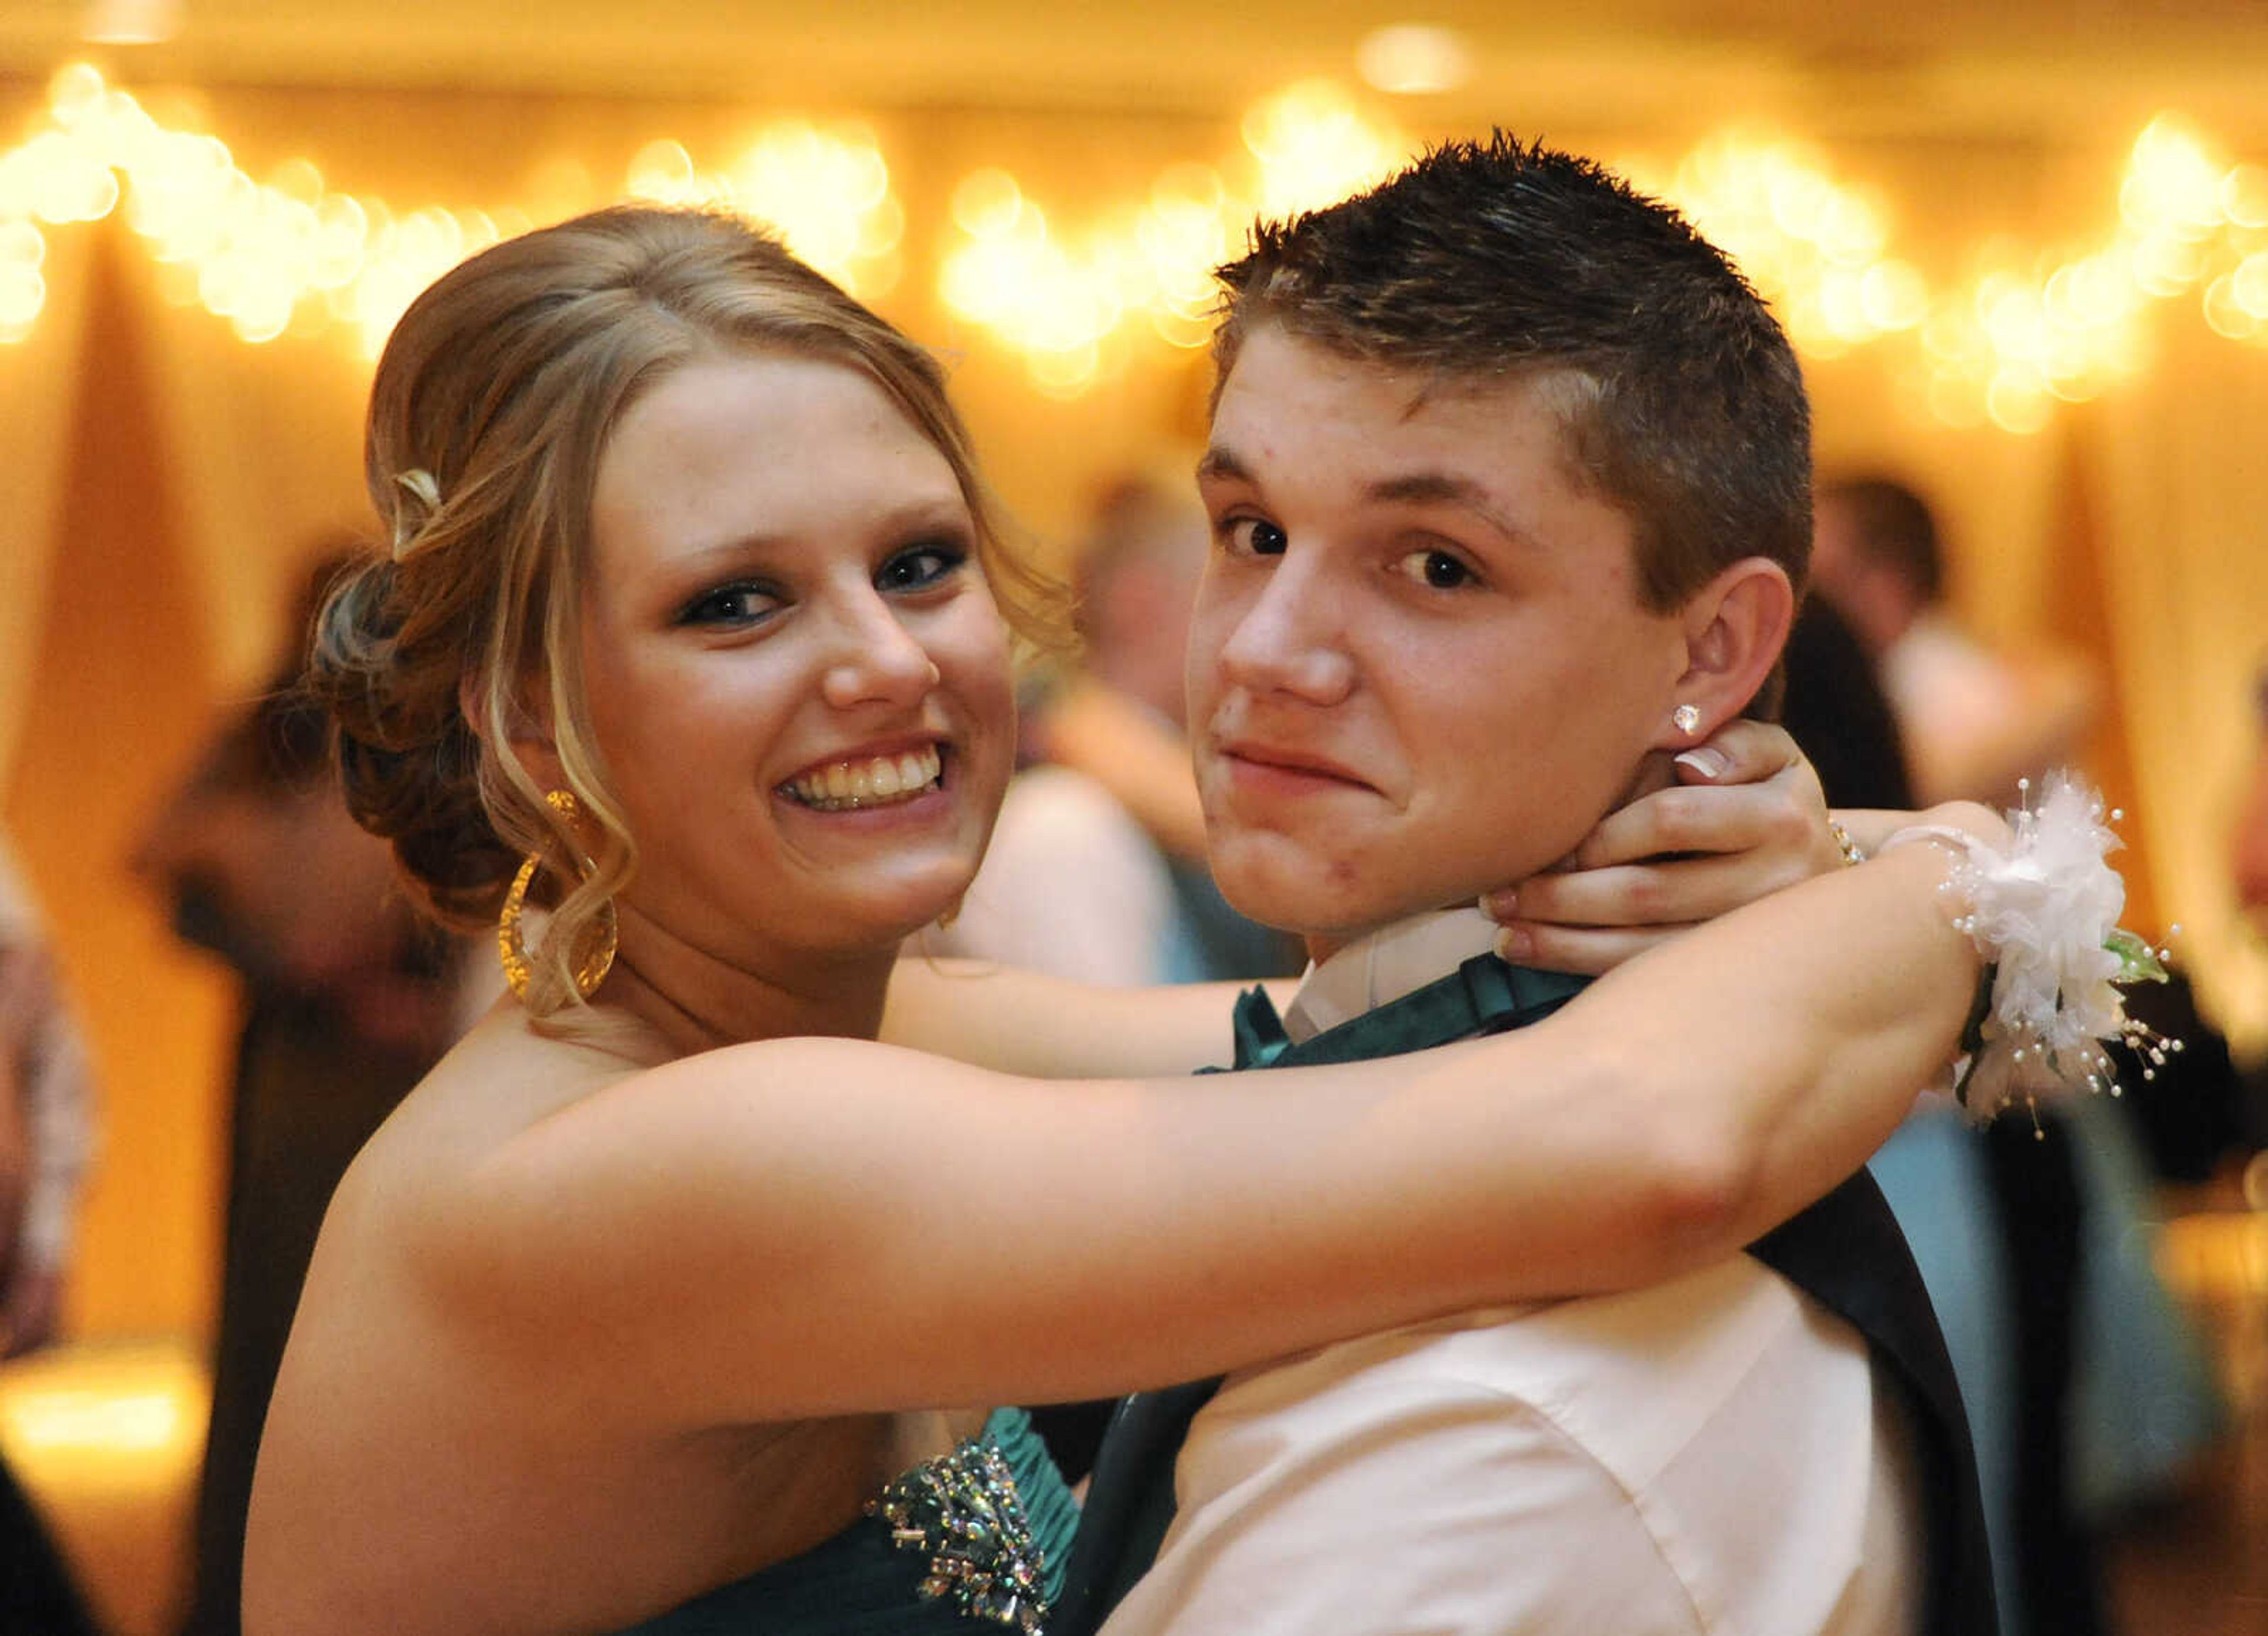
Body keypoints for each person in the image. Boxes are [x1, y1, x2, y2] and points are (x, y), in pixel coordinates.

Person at [243, 205, 2003, 1636]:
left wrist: (1790, 838)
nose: (884, 657)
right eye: (736, 602)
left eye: (917, 561)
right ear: (533, 719)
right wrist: (1936, 874)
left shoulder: (853, 1025)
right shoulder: (644, 1167)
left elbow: (1413, 1019)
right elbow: (1639, 1134)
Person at [1056, 137, 1995, 1636]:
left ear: (1706, 655)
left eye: (1433, 565)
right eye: (1253, 532)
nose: (1256, 653)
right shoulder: (1393, 1036)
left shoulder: (1505, 1434)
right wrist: (1924, 864)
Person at [1810, 476, 2095, 807]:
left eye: (1820, 580)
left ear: (1889, 585)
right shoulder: (1902, 669)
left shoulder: (1946, 685)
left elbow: (1918, 795)